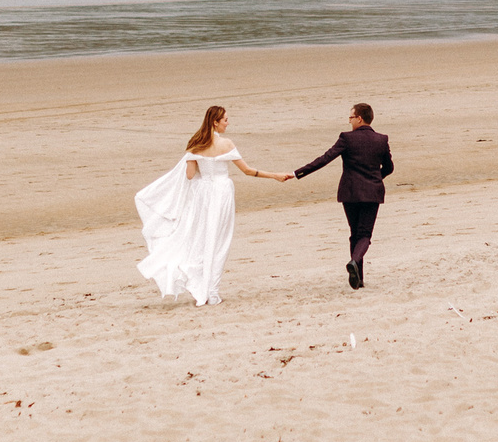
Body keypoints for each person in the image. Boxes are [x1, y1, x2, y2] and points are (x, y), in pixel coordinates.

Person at [134, 105, 289, 305]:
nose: (228, 123)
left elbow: (190, 175)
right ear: (215, 122)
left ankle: (203, 286)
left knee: (201, 238)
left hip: (203, 194)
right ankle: (212, 292)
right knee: (219, 242)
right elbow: (247, 171)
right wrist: (275, 176)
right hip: (221, 193)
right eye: (225, 120)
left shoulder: (195, 143)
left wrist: (200, 165)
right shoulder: (226, 144)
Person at [295, 102, 394, 289]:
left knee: (355, 234)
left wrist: (297, 173)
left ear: (359, 118)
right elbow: (389, 168)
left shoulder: (347, 138)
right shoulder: (381, 140)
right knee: (364, 235)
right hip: (372, 193)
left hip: (350, 192)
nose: (349, 121)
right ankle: (355, 265)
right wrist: (374, 179)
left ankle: (358, 277)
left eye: (351, 117)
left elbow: (325, 159)